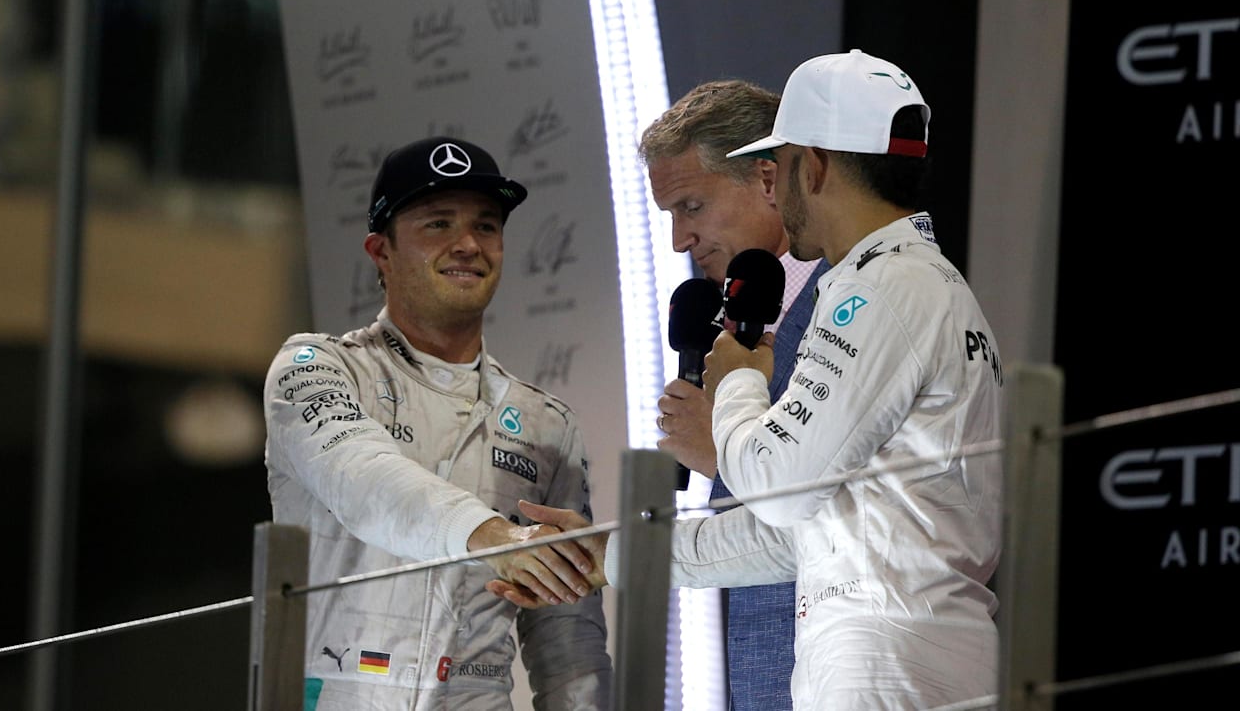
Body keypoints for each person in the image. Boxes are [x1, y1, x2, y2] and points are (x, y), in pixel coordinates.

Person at [497, 50, 1005, 710]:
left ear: (809, 167)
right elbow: (795, 536)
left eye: (784, 165)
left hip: (883, 658)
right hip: (893, 649)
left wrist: (738, 382)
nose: (681, 237)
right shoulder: (914, 283)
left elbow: (780, 490)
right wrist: (609, 557)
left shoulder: (880, 289)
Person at [264, 135, 612, 710]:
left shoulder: (547, 425)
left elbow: (568, 643)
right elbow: (360, 477)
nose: (468, 244)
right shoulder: (316, 367)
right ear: (381, 251)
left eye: (487, 225)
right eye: (437, 224)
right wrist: (495, 537)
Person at [638, 79, 830, 711]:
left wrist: (719, 456)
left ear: (768, 180)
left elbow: (857, 500)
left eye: (691, 206)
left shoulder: (851, 302)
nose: (678, 240)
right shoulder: (731, 320)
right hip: (761, 669)